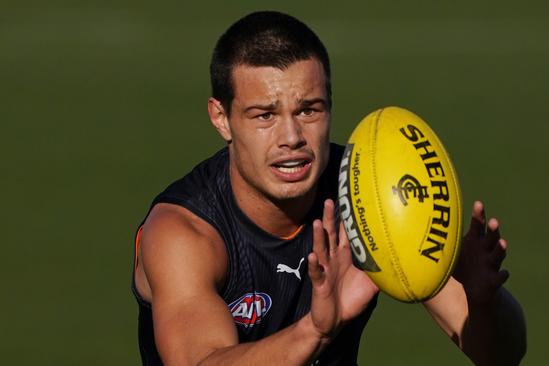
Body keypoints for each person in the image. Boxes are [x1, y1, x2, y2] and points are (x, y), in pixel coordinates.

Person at [132, 11, 526, 366]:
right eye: (264, 115)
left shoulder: (367, 192)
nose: (291, 137)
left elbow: (501, 356)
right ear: (221, 118)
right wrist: (315, 330)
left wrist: (483, 302)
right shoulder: (183, 233)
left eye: (309, 110)